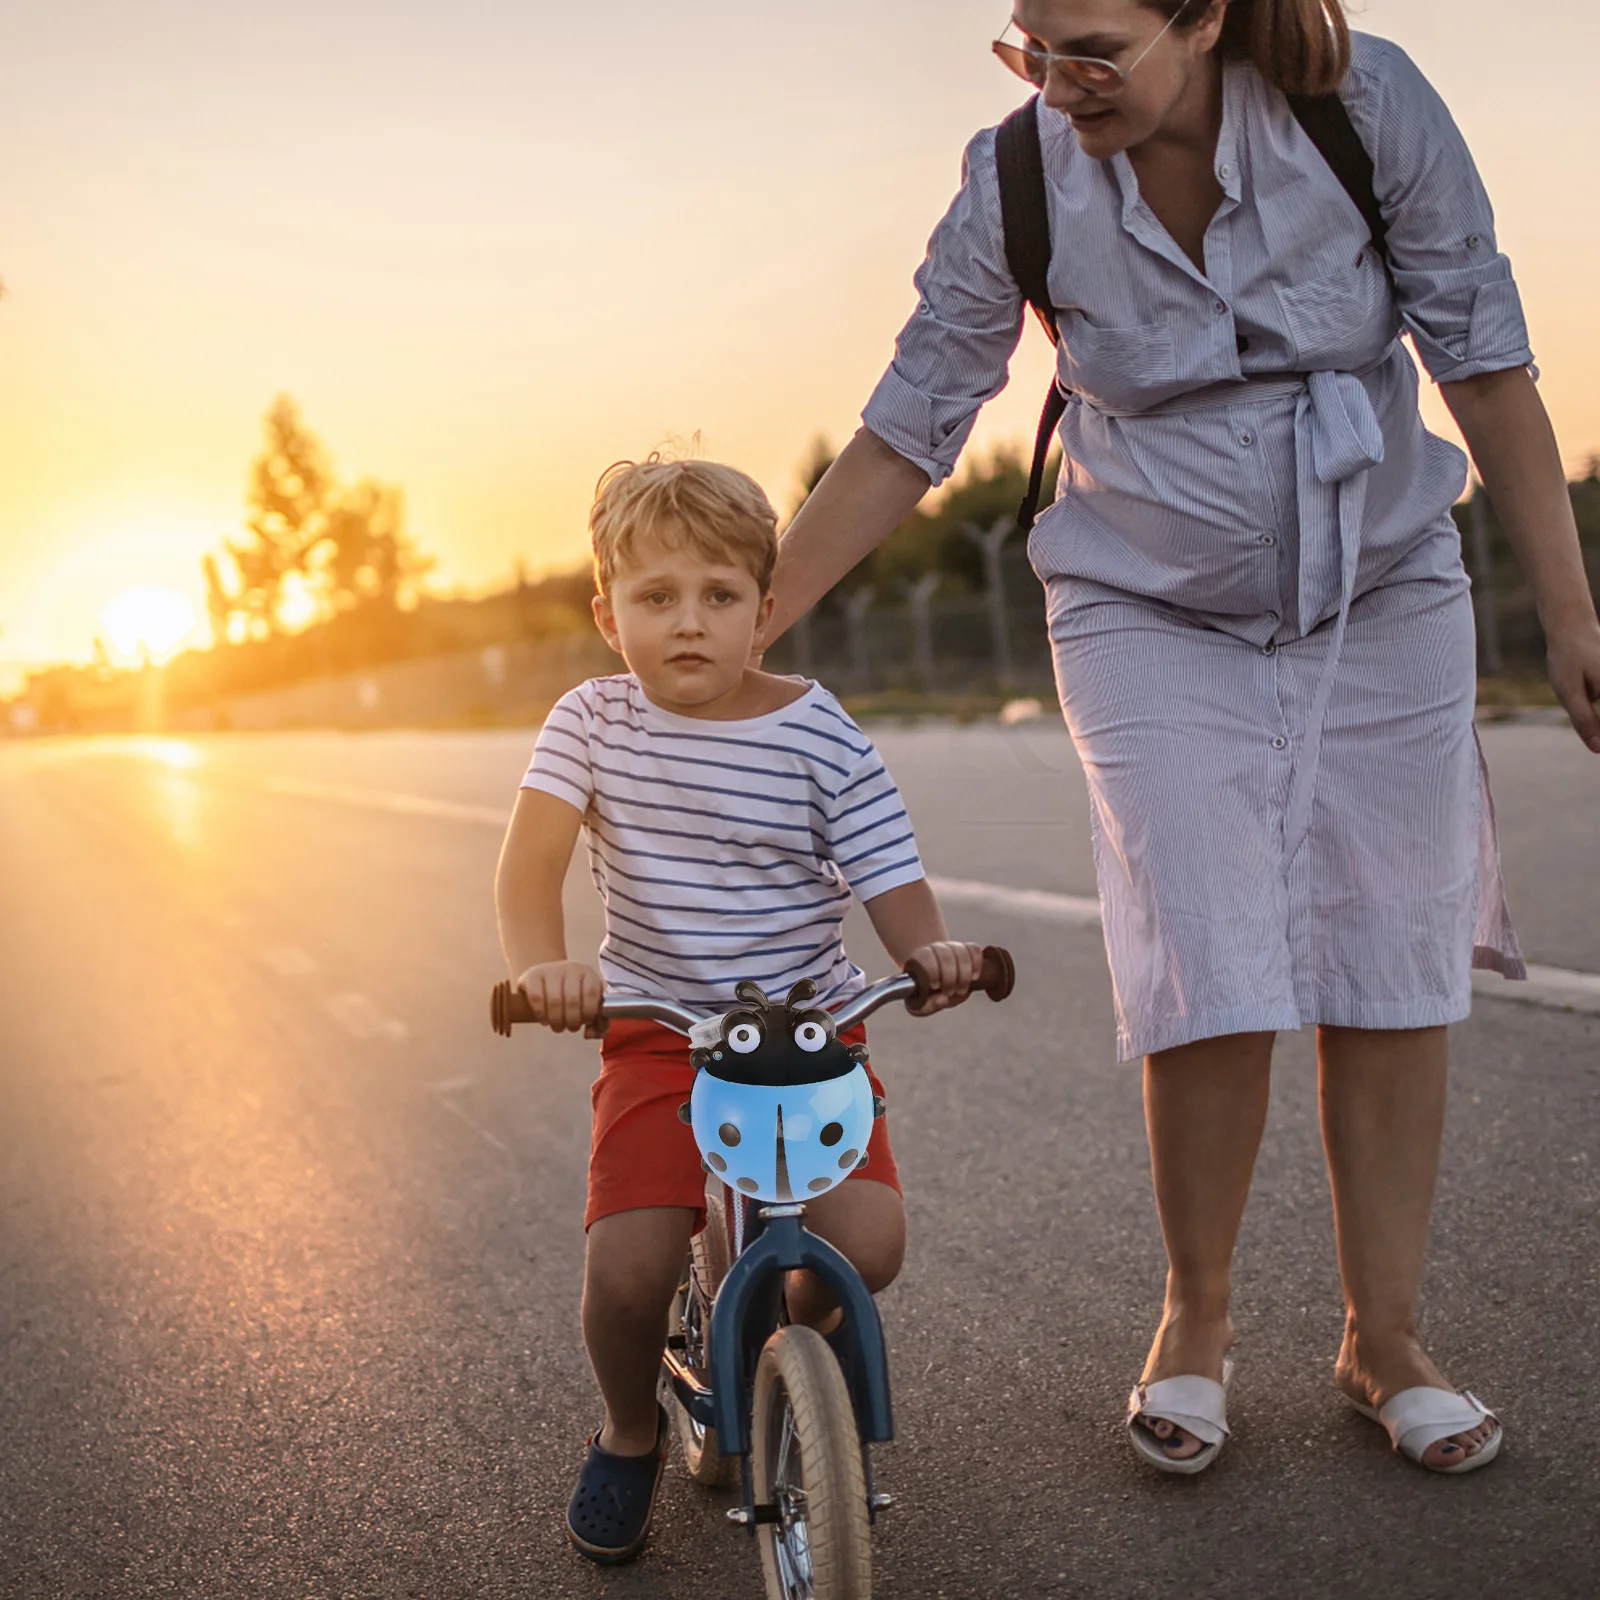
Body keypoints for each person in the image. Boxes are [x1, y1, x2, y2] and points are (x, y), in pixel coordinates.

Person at [763, 0, 1600, 1476]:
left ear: (1207, 18)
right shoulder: (1018, 177)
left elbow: (1486, 358)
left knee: (1391, 947)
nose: (1057, 81)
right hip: (1142, 594)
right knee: (1203, 944)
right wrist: (744, 627)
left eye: (1092, 48)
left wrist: (1575, 613)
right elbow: (913, 423)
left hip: (1382, 578)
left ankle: (1381, 1338)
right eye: (1030, 45)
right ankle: (1195, 1320)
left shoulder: (1364, 105)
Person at [494, 454, 984, 1561]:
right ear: (606, 613)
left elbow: (889, 875)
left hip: (805, 1037)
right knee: (626, 1269)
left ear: (764, 611)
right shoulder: (592, 722)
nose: (687, 623)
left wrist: (928, 952)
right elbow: (528, 873)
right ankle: (629, 1430)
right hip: (658, 1030)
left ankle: (767, 1348)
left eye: (719, 596)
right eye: (654, 596)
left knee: (866, 1241)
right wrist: (544, 965)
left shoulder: (816, 731)